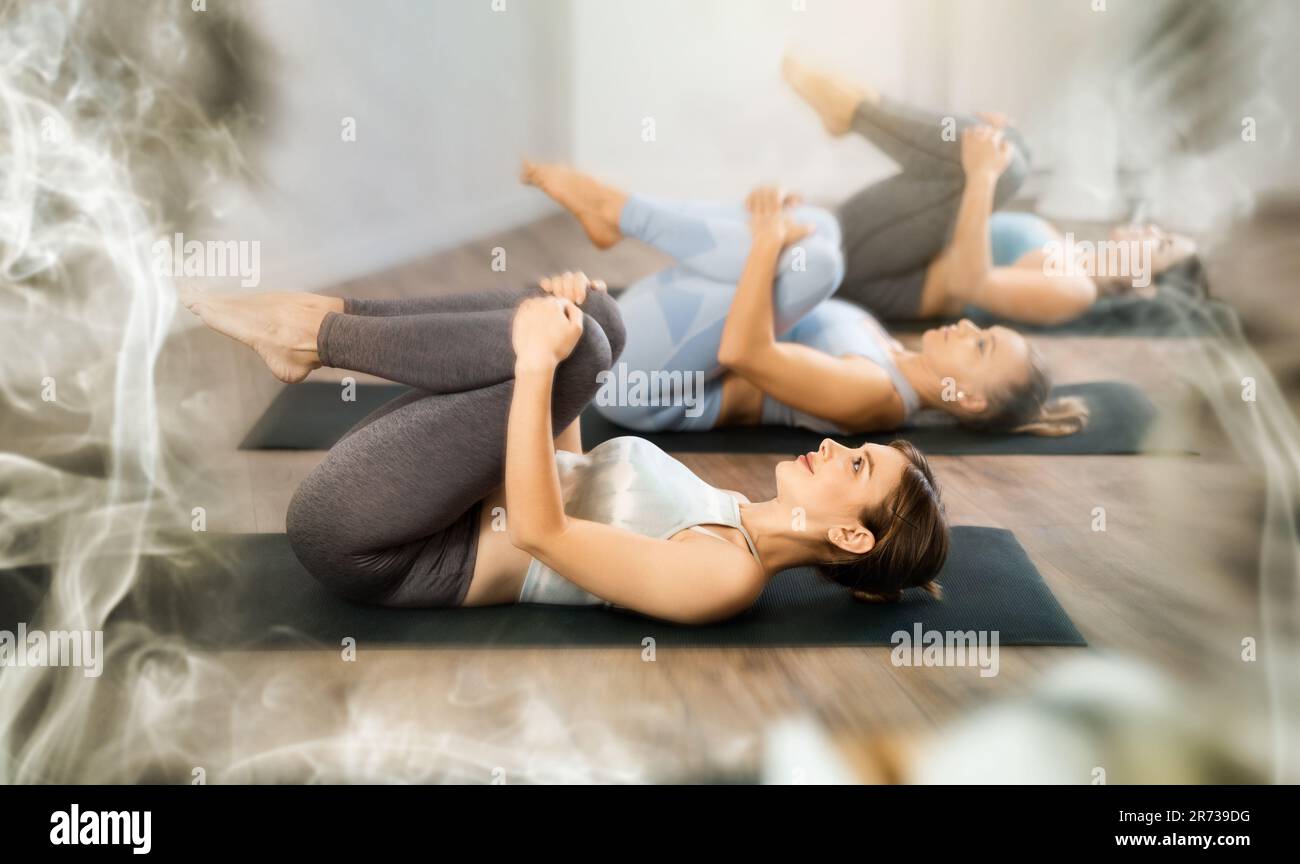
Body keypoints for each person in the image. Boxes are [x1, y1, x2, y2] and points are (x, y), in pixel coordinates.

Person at [184, 274, 949, 620]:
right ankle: (327, 322)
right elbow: (570, 470)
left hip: (377, 540)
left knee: (571, 347)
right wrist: (560, 355)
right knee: (596, 318)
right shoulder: (734, 512)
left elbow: (539, 530)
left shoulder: (727, 577)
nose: (830, 445)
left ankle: (318, 331)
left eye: (857, 464)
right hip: (421, 486)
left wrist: (540, 366)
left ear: (852, 534)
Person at [522, 162, 1088, 437]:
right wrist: (764, 230)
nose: (968, 325)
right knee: (817, 230)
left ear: (967, 398)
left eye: (981, 345)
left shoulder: (877, 396)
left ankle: (621, 213)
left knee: (815, 259)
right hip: (667, 327)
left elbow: (745, 350)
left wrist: (765, 240)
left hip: (636, 382)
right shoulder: (890, 350)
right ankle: (616, 216)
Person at [781, 55, 1199, 326]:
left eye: (1160, 247)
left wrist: (982, 177)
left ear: (1146, 285)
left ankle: (857, 111)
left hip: (876, 273)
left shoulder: (1075, 290)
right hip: (887, 243)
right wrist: (1000, 148)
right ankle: (857, 111)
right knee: (1016, 151)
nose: (1151, 232)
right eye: (1162, 232)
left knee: (1008, 167)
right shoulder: (1065, 249)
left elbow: (970, 283)